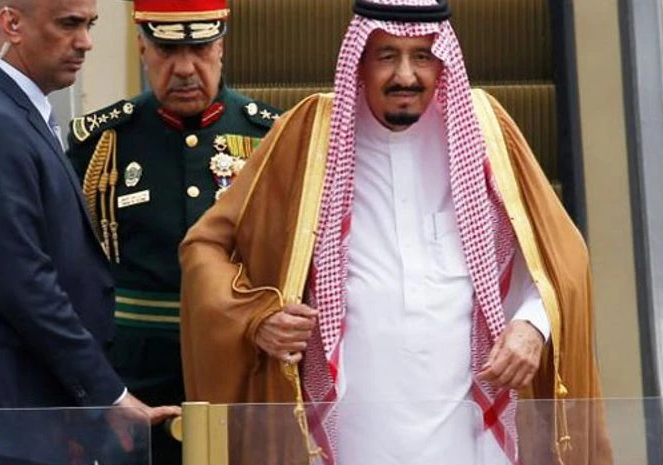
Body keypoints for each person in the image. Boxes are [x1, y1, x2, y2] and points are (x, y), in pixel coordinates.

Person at [179, 0, 612, 464]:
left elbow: (560, 258)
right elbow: (205, 246)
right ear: (359, 62)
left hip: (469, 422)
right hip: (350, 428)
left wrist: (532, 325)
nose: (406, 75)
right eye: (387, 55)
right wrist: (255, 317)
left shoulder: (487, 132)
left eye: (422, 56)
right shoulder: (306, 136)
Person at [0, 0, 179, 464]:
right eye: (68, 24)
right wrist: (108, 397)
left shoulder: (12, 114)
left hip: (15, 416)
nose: (86, 42)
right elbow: (25, 283)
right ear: (11, 23)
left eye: (90, 24)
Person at [66, 0, 280, 463]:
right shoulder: (101, 142)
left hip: (237, 362)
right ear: (142, 48)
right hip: (134, 374)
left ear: (222, 46)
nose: (184, 68)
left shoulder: (272, 138)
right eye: (166, 50)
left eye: (200, 48)